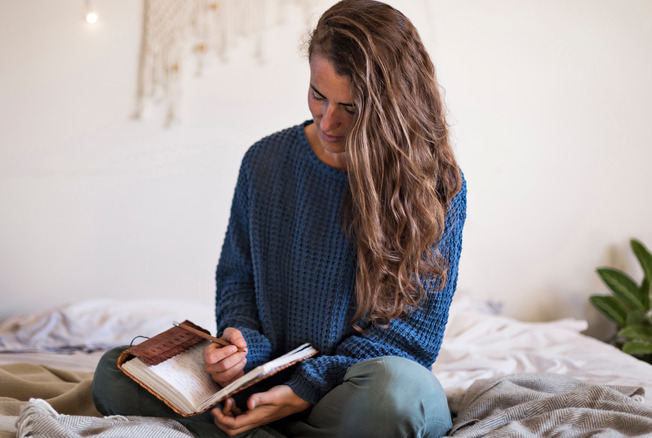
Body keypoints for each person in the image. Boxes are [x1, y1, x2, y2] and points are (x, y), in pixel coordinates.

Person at [92, 0, 467, 437]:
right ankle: (269, 423)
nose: (329, 122)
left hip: (351, 391)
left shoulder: (433, 185)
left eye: (352, 107)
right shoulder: (264, 161)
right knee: (116, 372)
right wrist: (241, 345)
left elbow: (411, 340)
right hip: (265, 383)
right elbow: (237, 278)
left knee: (400, 395)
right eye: (318, 95)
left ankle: (265, 427)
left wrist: (304, 389)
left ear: (392, 109)